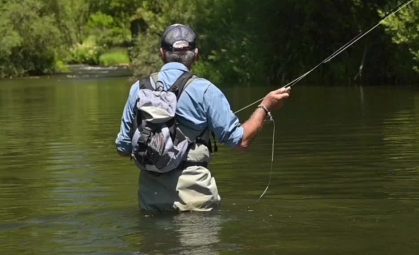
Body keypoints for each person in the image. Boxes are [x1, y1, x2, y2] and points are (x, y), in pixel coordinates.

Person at [115, 23, 291, 213]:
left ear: (162, 53)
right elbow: (241, 142)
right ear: (196, 54)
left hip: (150, 200)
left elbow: (123, 149)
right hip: (195, 199)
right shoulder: (206, 90)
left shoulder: (138, 89)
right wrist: (265, 107)